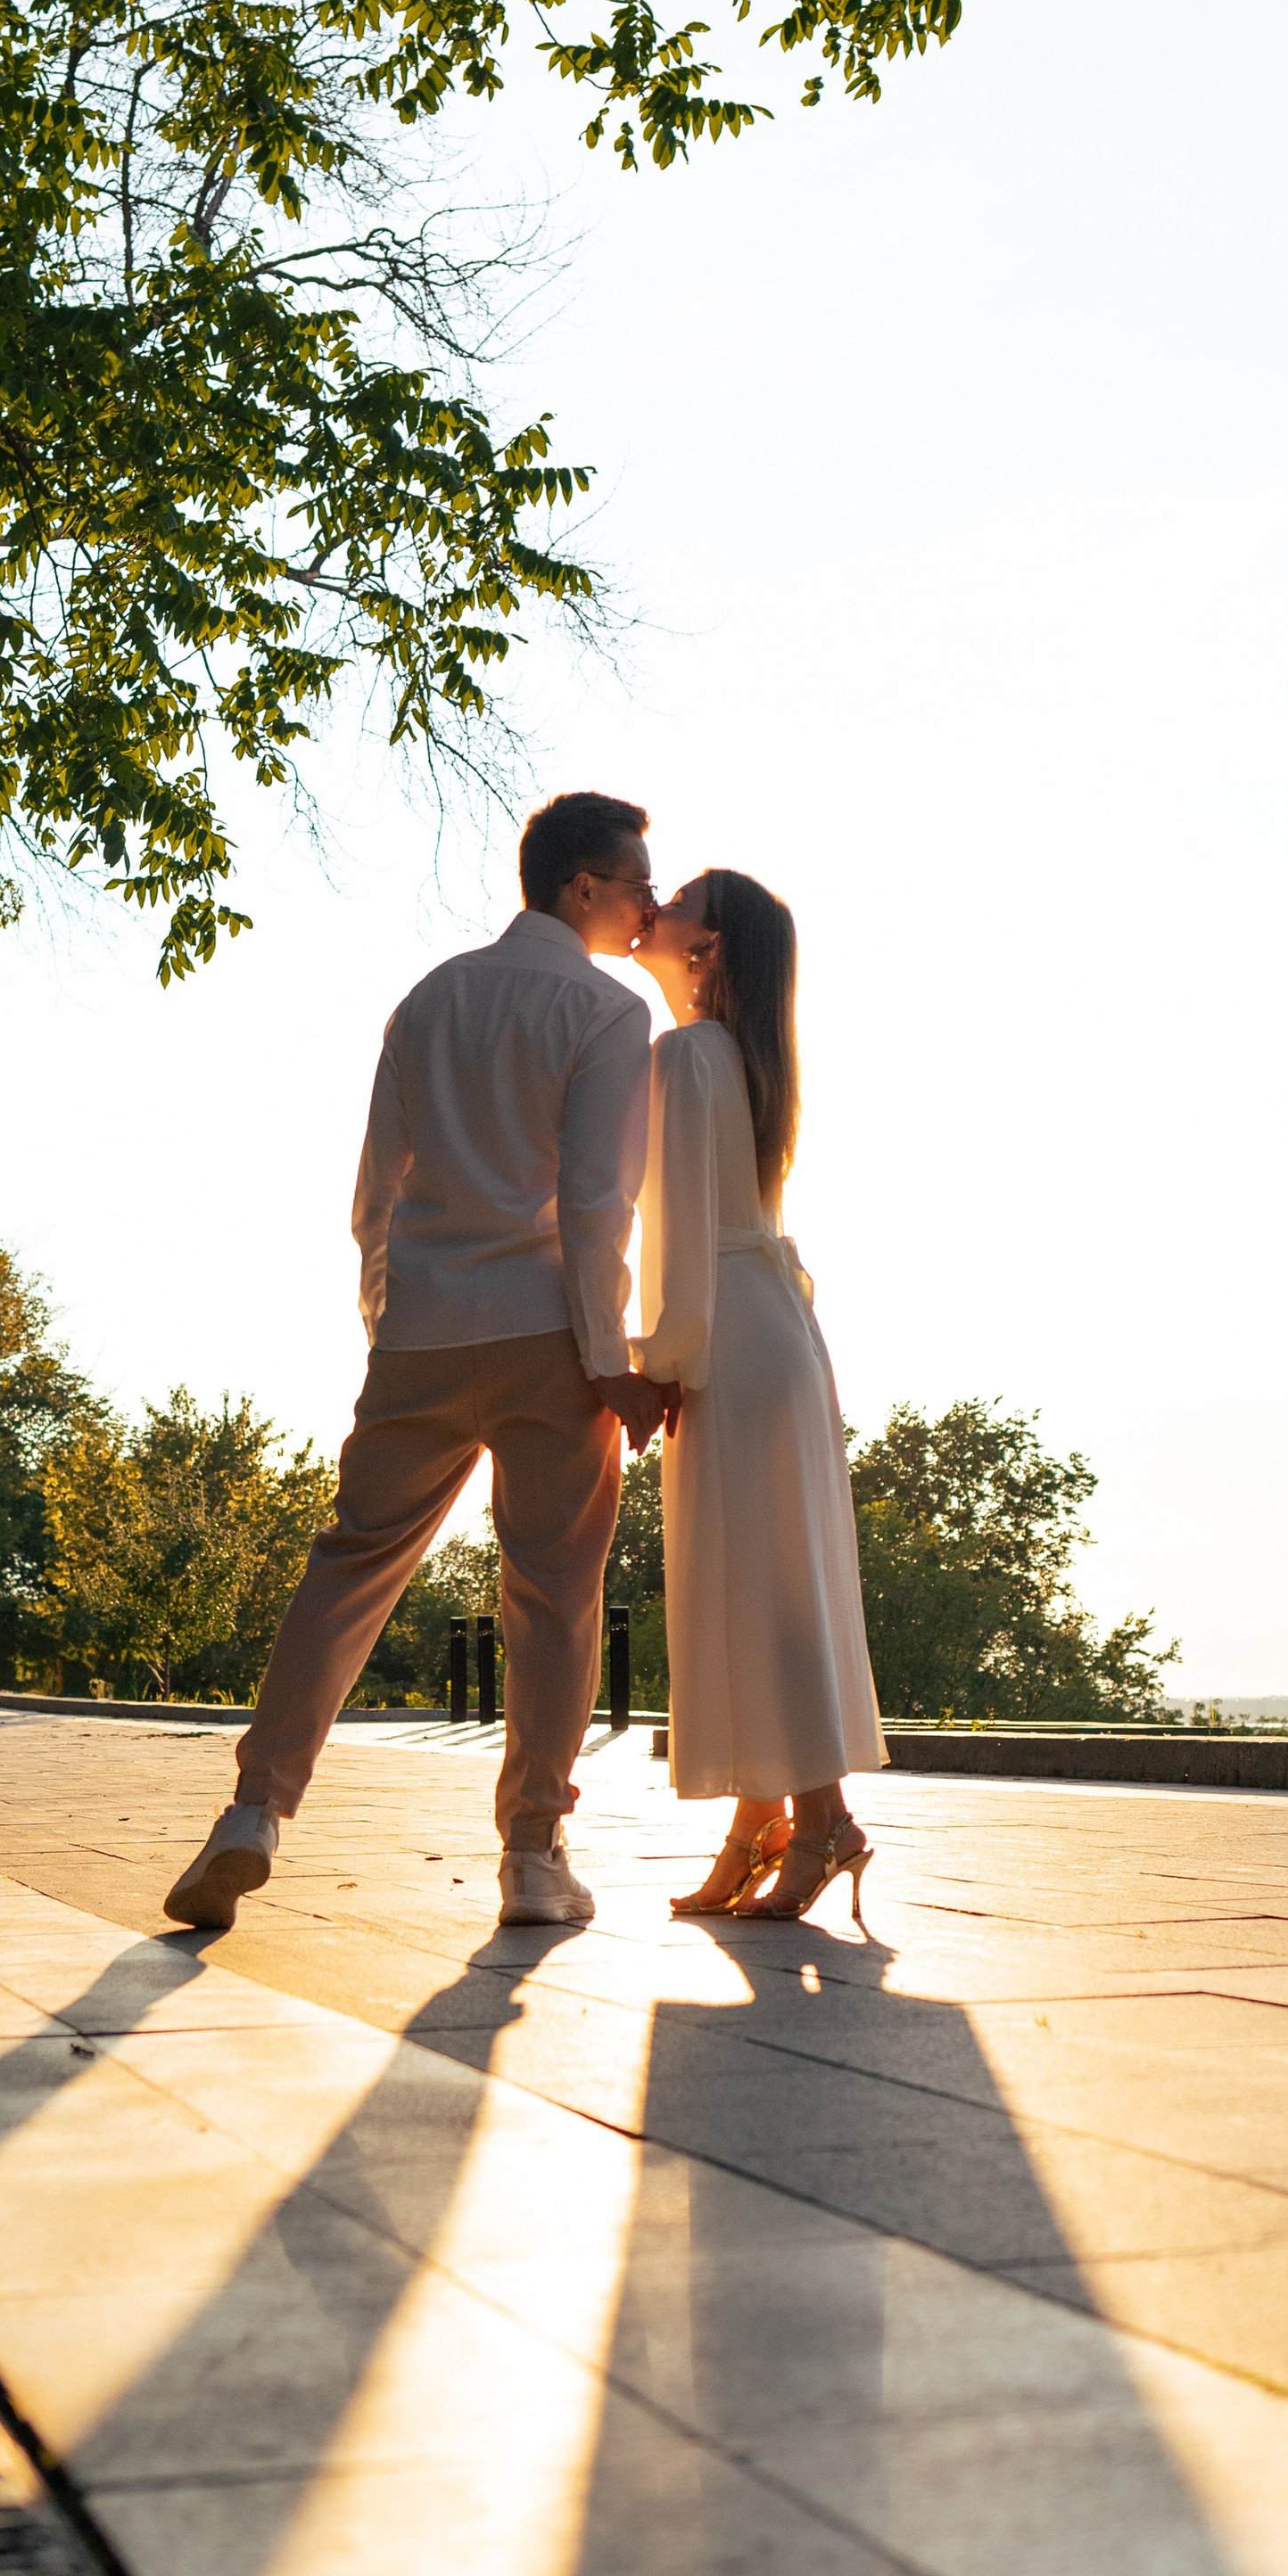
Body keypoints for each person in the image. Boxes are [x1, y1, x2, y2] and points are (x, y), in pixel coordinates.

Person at [163, 791, 669, 1934]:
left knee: (345, 1570)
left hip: (421, 1337)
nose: (645, 898)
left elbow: (374, 1196)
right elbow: (599, 1208)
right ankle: (533, 1856)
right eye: (635, 880)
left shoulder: (429, 999)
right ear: (581, 887)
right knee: (552, 1598)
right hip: (549, 1334)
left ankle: (252, 1813)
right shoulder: (605, 1010)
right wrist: (610, 1360)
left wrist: (391, 1320)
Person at [629, 869, 885, 1923]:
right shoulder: (750, 1061)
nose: (658, 908)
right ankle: (761, 1820)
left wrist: (659, 1362)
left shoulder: (686, 1055)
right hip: (776, 1327)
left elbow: (675, 1232)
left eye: (680, 900)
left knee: (752, 1581)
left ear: (712, 948)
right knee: (772, 1577)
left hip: (729, 1327)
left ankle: (817, 1820)